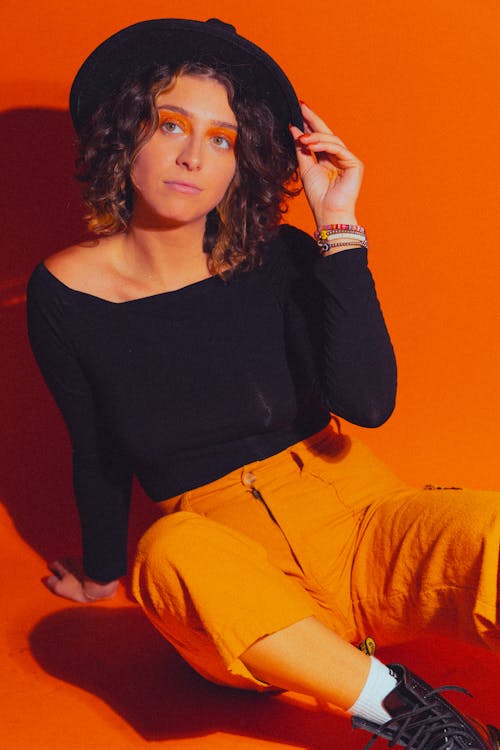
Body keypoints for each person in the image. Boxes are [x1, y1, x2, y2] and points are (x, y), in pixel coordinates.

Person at [26, 17, 499, 750]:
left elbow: (369, 403)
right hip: (243, 588)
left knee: (490, 525)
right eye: (170, 124)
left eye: (221, 138)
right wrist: (98, 574)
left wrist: (337, 227)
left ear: (240, 160)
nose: (193, 156)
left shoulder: (281, 254)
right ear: (125, 137)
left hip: (365, 519)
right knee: (170, 550)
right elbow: (93, 446)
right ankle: (412, 717)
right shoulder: (63, 293)